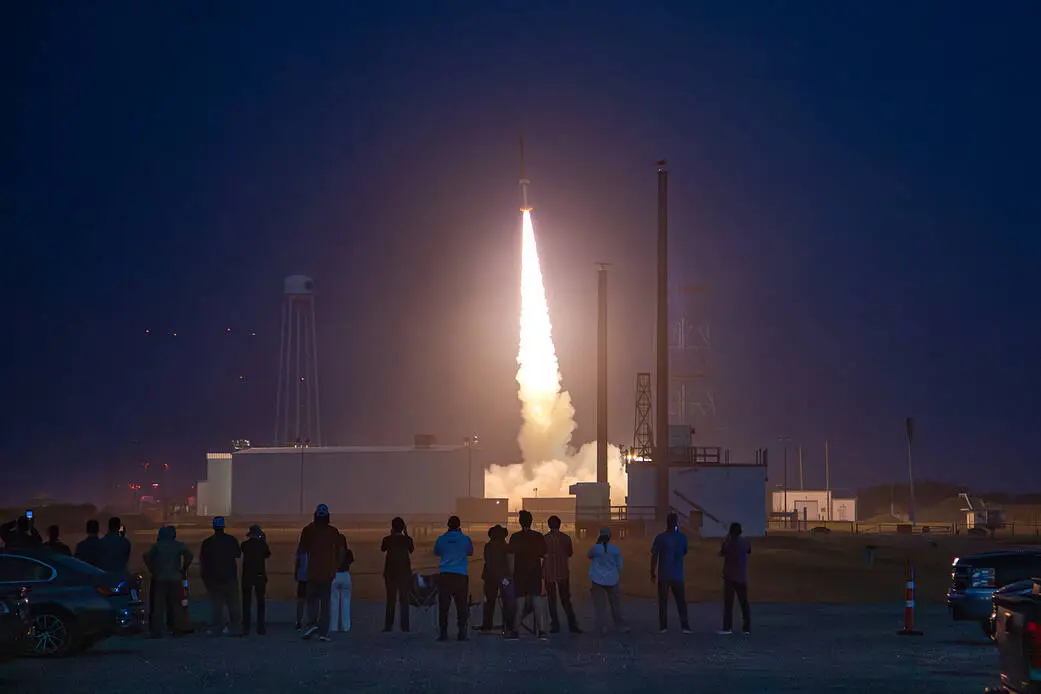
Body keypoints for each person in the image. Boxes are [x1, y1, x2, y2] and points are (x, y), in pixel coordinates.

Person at [297, 503, 343, 642]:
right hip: (327, 572)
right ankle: (323, 631)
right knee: (325, 603)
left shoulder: (308, 530)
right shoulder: (333, 532)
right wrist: (335, 567)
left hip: (312, 572)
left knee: (311, 601)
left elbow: (302, 550)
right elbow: (341, 551)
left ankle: (311, 626)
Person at [143, 525, 193, 637]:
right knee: (176, 605)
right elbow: (189, 555)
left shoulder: (157, 546)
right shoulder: (178, 545)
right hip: (175, 578)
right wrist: (184, 568)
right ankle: (177, 628)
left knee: (158, 606)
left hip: (160, 578)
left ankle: (156, 630)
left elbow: (146, 556)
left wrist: (152, 569)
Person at [507, 510, 548, 640]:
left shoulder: (515, 537)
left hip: (520, 574)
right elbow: (545, 556)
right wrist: (541, 571)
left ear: (520, 522)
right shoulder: (538, 536)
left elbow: (511, 557)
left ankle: (515, 631)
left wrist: (511, 573)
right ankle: (541, 631)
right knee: (537, 601)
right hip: (535, 573)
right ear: (531, 521)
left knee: (520, 603)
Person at [432, 515, 473, 642]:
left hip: (445, 575)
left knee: (444, 606)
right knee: (461, 606)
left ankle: (443, 633)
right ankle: (461, 632)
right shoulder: (465, 539)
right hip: (460, 575)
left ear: (448, 525)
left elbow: (436, 552)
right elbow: (470, 552)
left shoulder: (441, 539)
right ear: (459, 525)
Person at [200, 516, 242, 635]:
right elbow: (237, 554)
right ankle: (234, 626)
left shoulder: (208, 543)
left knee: (217, 604)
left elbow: (204, 560)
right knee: (233, 603)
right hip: (229, 576)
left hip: (214, 577)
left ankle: (218, 626)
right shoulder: (231, 540)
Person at [651, 512, 691, 633]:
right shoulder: (682, 537)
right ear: (676, 523)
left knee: (663, 602)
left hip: (664, 574)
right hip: (678, 574)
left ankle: (663, 626)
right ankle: (685, 626)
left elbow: (654, 555)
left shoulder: (660, 537)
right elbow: (684, 552)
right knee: (681, 601)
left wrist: (652, 571)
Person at [543, 515, 581, 634]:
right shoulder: (566, 538)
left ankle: (555, 625)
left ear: (549, 525)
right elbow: (570, 553)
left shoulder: (544, 539)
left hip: (549, 573)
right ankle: (572, 624)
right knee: (565, 599)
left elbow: (541, 553)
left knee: (551, 600)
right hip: (563, 572)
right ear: (559, 525)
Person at [587, 527, 627, 634]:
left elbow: (589, 555)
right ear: (610, 536)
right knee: (615, 604)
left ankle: (601, 627)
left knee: (600, 606)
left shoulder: (595, 548)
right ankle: (620, 625)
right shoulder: (615, 549)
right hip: (612, 579)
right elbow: (620, 566)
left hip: (597, 579)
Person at [381, 517, 413, 632]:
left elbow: (383, 549)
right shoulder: (407, 540)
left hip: (390, 573)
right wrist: (406, 533)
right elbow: (411, 549)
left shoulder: (387, 539)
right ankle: (405, 626)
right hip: (404, 573)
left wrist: (392, 535)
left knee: (391, 600)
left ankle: (388, 625)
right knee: (404, 600)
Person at [479, 524, 514, 634]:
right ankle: (509, 625)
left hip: (490, 577)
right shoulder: (507, 546)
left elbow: (488, 561)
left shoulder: (488, 546)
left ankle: (487, 625)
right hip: (504, 577)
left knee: (489, 602)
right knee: (507, 602)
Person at [719, 522, 751, 635]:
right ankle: (747, 627)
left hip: (730, 576)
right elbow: (749, 550)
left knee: (728, 603)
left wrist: (726, 539)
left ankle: (727, 627)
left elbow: (722, 552)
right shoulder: (745, 541)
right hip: (742, 576)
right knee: (744, 603)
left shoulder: (728, 542)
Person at [240, 524, 270, 635]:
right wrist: (264, 540)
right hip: (260, 575)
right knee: (260, 602)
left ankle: (246, 627)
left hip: (247, 576)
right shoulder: (262, 545)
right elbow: (267, 554)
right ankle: (260, 627)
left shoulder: (244, 545)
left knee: (246, 603)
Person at [330, 533, 354, 633]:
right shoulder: (348, 552)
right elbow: (350, 562)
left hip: (334, 576)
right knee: (346, 602)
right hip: (345, 576)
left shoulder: (332, 552)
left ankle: (333, 626)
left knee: (334, 602)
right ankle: (346, 626)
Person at [294, 550, 308, 630]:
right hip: (311, 577)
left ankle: (299, 620)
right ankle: (311, 621)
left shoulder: (301, 549)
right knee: (312, 601)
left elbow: (297, 562)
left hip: (302, 577)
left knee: (300, 601)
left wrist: (296, 574)